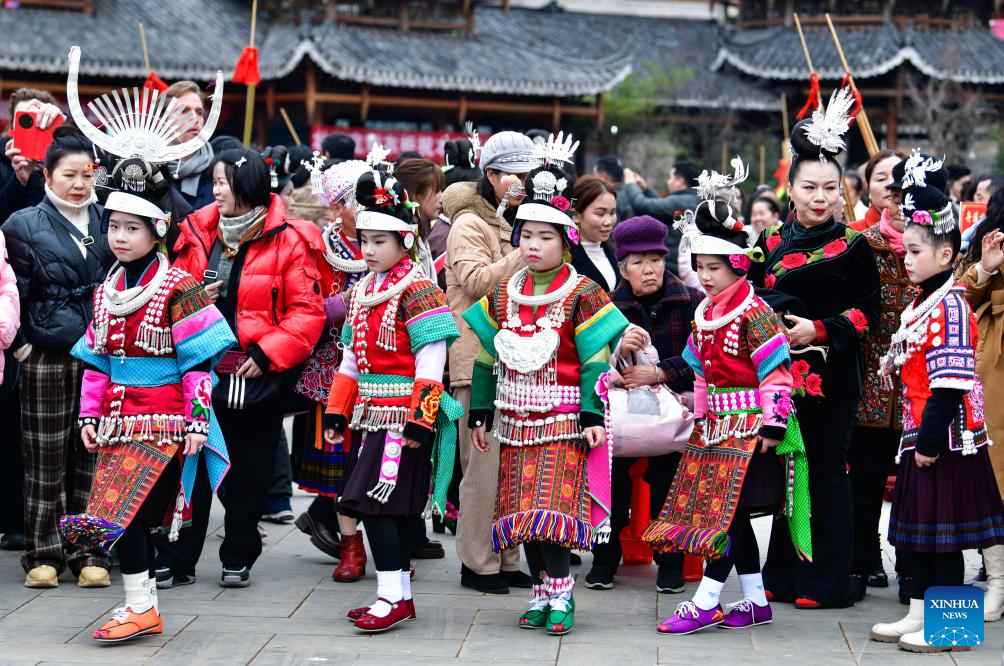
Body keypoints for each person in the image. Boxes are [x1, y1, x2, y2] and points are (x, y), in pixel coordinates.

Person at [59, 157, 234, 642]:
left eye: (131, 228)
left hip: (163, 418)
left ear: (156, 230)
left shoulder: (178, 285)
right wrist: (87, 416)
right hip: (116, 419)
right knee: (119, 515)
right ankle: (141, 605)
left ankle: (140, 605)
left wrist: (198, 421)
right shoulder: (107, 290)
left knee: (125, 512)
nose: (119, 236)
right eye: (113, 226)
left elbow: (200, 362)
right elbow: (97, 362)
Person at [464, 134, 629, 635]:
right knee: (519, 510)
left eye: (545, 236)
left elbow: (595, 358)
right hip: (513, 421)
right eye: (526, 235)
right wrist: (480, 412)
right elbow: (488, 356)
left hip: (562, 422)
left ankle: (562, 596)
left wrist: (593, 414)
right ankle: (541, 594)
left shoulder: (582, 292)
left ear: (566, 240)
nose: (532, 245)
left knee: (549, 510)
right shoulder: (505, 291)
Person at [644, 170, 810, 634]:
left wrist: (772, 428)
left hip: (749, 427)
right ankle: (755, 601)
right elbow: (697, 370)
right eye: (700, 268)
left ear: (739, 266)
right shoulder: (706, 312)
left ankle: (707, 600)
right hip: (714, 428)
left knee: (725, 516)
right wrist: (697, 418)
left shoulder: (755, 313)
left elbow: (777, 374)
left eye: (714, 268)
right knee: (728, 516)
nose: (704, 276)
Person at [749, 89, 881, 609]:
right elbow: (749, 300)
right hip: (779, 380)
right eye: (810, 186)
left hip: (832, 378)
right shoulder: (768, 243)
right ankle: (781, 574)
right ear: (791, 186)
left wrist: (819, 330)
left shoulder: (853, 245)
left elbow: (868, 311)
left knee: (826, 474)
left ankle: (827, 579)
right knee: (786, 473)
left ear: (842, 190)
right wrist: (778, 326)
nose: (820, 196)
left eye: (830, 187)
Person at [170, 147, 326, 588]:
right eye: (215, 182)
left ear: (248, 186)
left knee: (250, 470)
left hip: (256, 372)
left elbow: (306, 312)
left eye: (222, 182)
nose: (215, 191)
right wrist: (196, 297)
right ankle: (180, 556)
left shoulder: (290, 238)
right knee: (192, 465)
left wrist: (267, 353)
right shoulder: (198, 232)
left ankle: (238, 553)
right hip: (201, 370)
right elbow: (173, 294)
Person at [869, 167, 1004, 652]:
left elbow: (949, 383)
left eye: (915, 252)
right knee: (918, 535)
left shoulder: (950, 306)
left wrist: (927, 443)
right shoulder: (926, 300)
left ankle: (953, 628)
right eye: (906, 250)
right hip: (921, 435)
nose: (906, 260)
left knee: (944, 537)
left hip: (943, 438)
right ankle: (921, 611)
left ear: (945, 255)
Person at [322, 168, 461, 633]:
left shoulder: (418, 289)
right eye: (365, 240)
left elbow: (431, 359)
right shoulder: (361, 290)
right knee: (390, 508)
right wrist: (337, 411)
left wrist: (422, 420)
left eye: (381, 241)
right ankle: (398, 595)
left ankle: (388, 596)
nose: (370, 250)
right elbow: (349, 362)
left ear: (404, 241)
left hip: (404, 418)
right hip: (372, 416)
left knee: (373, 503)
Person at [4, 127, 116, 588]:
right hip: (46, 354)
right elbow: (13, 292)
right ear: (47, 176)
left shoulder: (112, 220)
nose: (79, 184)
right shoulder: (22, 224)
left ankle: (90, 552)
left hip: (100, 353)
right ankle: (43, 553)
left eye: (86, 175)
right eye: (68, 175)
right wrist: (22, 348)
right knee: (45, 456)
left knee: (94, 456)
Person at [584, 214, 703, 593]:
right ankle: (605, 559)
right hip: (620, 417)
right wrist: (618, 350)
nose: (648, 270)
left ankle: (669, 562)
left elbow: (705, 359)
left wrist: (661, 372)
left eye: (654, 259)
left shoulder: (691, 302)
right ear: (623, 267)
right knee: (612, 485)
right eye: (637, 262)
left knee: (668, 486)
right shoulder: (604, 307)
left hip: (673, 415)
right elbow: (589, 358)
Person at [443, 130, 535, 594]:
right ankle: (476, 563)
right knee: (482, 467)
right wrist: (528, 250)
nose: (522, 184)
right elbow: (477, 283)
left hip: (518, 359)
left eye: (528, 175)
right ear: (493, 175)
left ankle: (507, 558)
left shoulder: (514, 220)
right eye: (514, 176)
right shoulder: (468, 224)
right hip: (474, 359)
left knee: (512, 467)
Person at [292, 155, 371, 580]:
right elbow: (306, 306)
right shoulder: (321, 248)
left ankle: (391, 539)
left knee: (379, 458)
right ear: (338, 206)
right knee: (344, 464)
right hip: (336, 367)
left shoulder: (396, 238)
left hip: (385, 367)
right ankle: (350, 546)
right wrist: (344, 306)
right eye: (360, 199)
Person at [958, 188, 1004, 621]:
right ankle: (997, 581)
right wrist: (983, 271)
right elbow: (953, 304)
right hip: (990, 370)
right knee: (991, 476)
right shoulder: (986, 247)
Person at [621, 160, 701, 276]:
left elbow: (641, 204)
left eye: (670, 178)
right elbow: (662, 205)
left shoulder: (678, 202)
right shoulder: (694, 199)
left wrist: (630, 184)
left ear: (679, 182)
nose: (668, 182)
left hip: (673, 268)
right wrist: (645, 189)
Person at [1, 88, 64, 224]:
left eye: (40, 119)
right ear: (13, 125)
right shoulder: (3, 161)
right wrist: (20, 180)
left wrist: (66, 126)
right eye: (24, 119)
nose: (33, 127)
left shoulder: (66, 154)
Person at [164, 81, 216, 210]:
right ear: (162, 121)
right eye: (183, 111)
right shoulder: (145, 172)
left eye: (199, 112)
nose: (194, 118)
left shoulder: (219, 170)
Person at [394, 157, 445, 281]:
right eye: (437, 191)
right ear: (417, 197)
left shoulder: (417, 232)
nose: (442, 197)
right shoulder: (401, 241)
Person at [570, 176, 618, 291]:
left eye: (612, 213)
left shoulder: (615, 251)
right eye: (600, 214)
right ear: (576, 215)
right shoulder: (567, 260)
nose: (609, 221)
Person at [850, 149, 904, 232]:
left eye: (897, 177)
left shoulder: (926, 228)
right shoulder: (850, 234)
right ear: (869, 191)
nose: (890, 184)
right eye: (881, 179)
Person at [593, 155, 636, 223]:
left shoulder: (609, 199)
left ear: (604, 177)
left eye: (595, 176)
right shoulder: (630, 195)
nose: (593, 180)